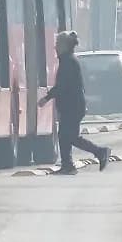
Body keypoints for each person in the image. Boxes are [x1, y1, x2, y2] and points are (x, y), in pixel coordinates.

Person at [38, 31, 111, 175]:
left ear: (65, 46)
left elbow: (62, 86)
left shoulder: (68, 62)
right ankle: (68, 165)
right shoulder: (67, 60)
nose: (55, 47)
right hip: (71, 106)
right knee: (64, 136)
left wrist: (46, 98)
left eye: (58, 44)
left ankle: (100, 152)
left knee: (70, 137)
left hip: (73, 106)